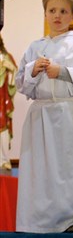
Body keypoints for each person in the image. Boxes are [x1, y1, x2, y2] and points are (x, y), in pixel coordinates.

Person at [15, 0, 73, 232]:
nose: (57, 16)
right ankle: (35, 220)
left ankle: (69, 218)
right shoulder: (35, 46)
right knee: (38, 167)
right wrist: (33, 70)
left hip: (67, 112)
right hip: (40, 114)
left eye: (63, 11)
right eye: (52, 10)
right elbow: (20, 82)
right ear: (45, 13)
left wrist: (62, 72)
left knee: (68, 166)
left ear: (72, 15)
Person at [0, 35, 17, 170]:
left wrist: (9, 67)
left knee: (3, 125)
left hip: (2, 96)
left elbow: (15, 76)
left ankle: (4, 159)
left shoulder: (6, 57)